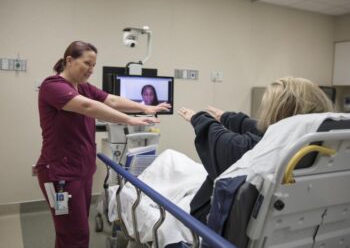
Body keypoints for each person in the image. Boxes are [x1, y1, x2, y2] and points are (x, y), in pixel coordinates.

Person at [35, 40, 171, 248]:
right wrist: (130, 120)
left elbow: (113, 101)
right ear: (69, 60)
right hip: (60, 173)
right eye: (87, 63)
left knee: (71, 232)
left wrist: (145, 108)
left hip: (81, 169)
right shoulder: (52, 86)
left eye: (94, 65)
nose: (91, 69)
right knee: (75, 234)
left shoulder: (84, 87)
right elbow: (89, 107)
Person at [177, 77, 334, 223]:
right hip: (300, 221)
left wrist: (198, 119)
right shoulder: (321, 147)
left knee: (170, 159)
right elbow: (265, 129)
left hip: (208, 218)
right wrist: (228, 118)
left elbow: (225, 145)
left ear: (278, 113)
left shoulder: (259, 153)